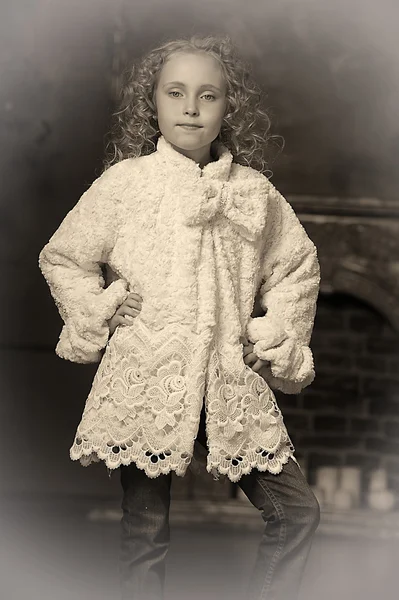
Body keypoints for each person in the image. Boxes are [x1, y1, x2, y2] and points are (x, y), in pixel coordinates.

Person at [38, 34, 321, 600]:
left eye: (208, 95)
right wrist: (106, 305)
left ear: (227, 108)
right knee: (145, 532)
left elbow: (297, 267)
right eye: (176, 92)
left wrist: (270, 334)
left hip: (225, 378)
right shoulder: (127, 184)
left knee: (297, 513)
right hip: (151, 373)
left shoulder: (254, 194)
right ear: (154, 104)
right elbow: (64, 256)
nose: (191, 106)